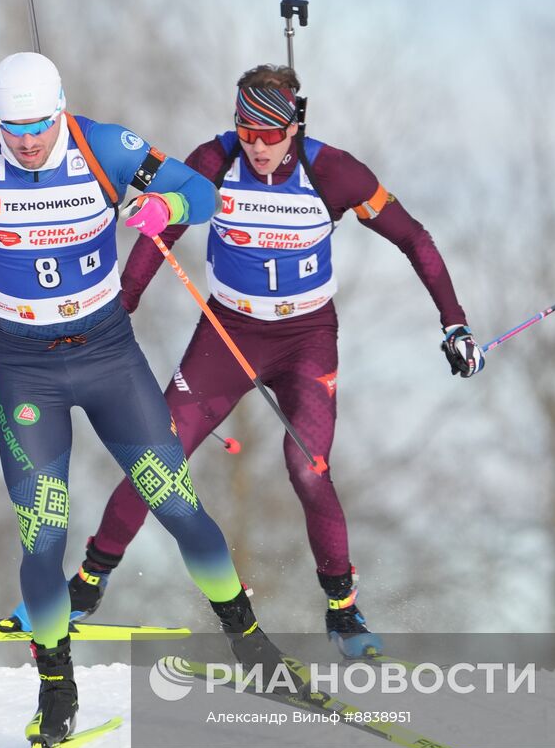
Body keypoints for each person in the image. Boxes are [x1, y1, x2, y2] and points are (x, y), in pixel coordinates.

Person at [0, 53, 291, 748]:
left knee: (177, 505)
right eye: (14, 127)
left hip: (108, 357)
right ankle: (56, 688)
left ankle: (249, 640)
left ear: (60, 109)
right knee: (42, 536)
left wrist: (164, 207)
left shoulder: (105, 146)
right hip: (24, 369)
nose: (29, 141)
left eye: (39, 125)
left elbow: (208, 193)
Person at [52, 64, 484, 658]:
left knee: (308, 468)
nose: (256, 146)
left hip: (306, 337)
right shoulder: (211, 162)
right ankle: (88, 582)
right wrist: (116, 308)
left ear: (295, 126)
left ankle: (343, 610)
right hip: (229, 333)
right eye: (245, 132)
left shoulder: (334, 172)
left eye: (270, 134)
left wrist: (454, 322)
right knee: (159, 456)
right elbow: (159, 237)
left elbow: (415, 239)